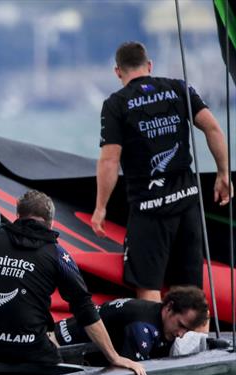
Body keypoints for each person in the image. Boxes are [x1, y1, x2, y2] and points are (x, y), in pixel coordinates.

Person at [91, 41, 232, 302]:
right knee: (191, 291)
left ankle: (155, 342)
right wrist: (224, 174)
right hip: (188, 203)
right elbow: (213, 128)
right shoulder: (178, 88)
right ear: (149, 65)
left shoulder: (116, 104)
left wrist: (100, 207)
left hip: (149, 210)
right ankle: (196, 341)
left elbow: (110, 160)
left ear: (117, 72)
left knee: (147, 284)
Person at [0, 190, 146, 375]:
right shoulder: (57, 254)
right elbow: (84, 307)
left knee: (45, 329)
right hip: (29, 350)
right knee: (52, 345)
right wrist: (114, 357)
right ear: (51, 223)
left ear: (17, 216)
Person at [54, 286, 209, 361]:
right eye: (181, 325)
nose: (181, 334)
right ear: (169, 307)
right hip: (59, 349)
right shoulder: (142, 328)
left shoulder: (156, 314)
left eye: (187, 330)